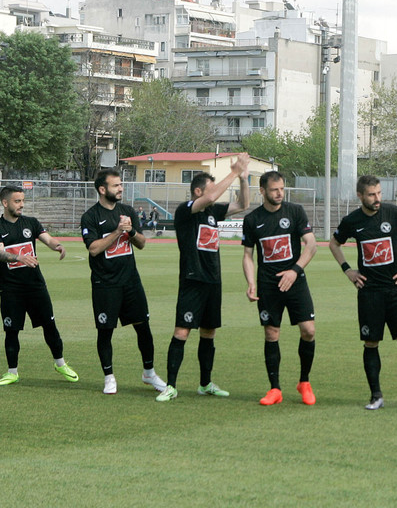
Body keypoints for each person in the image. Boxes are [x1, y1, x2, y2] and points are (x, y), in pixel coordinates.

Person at [330, 175, 397, 412]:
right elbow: (334, 243)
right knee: (371, 342)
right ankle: (376, 396)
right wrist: (348, 270)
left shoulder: (394, 213)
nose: (377, 199)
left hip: (396, 290)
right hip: (369, 292)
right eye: (372, 194)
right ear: (360, 196)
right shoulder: (352, 220)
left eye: (379, 193)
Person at [156, 154, 250, 402]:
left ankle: (205, 383)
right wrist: (232, 172)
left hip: (213, 280)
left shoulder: (212, 212)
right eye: (210, 188)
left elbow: (243, 205)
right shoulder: (186, 211)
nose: (215, 193)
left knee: (209, 333)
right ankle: (171, 385)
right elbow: (210, 196)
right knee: (182, 332)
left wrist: (243, 178)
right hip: (193, 280)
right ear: (197, 191)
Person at [81, 169, 166, 395]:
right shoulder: (90, 216)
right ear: (102, 189)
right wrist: (117, 232)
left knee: (143, 328)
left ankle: (149, 373)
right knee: (105, 331)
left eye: (121, 185)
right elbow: (94, 248)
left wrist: (130, 232)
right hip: (105, 284)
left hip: (130, 282)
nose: (120, 188)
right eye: (116, 185)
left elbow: (142, 243)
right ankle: (109, 377)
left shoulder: (127, 211)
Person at [242, 171, 318, 406]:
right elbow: (248, 255)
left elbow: (311, 245)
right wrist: (251, 282)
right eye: (274, 189)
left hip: (295, 281)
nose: (279, 193)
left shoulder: (294, 211)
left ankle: (304, 382)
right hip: (268, 285)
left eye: (282, 189)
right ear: (262, 191)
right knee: (271, 333)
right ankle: (275, 389)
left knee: (308, 330)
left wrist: (294, 270)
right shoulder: (253, 219)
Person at [0, 186, 78, 386]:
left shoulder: (31, 223)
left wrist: (57, 245)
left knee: (49, 325)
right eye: (17, 201)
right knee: (11, 331)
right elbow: (0, 253)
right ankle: (12, 372)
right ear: (5, 203)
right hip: (10, 289)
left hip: (35, 286)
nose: (22, 204)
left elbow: (47, 239)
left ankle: (60, 364)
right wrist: (19, 257)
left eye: (22, 200)